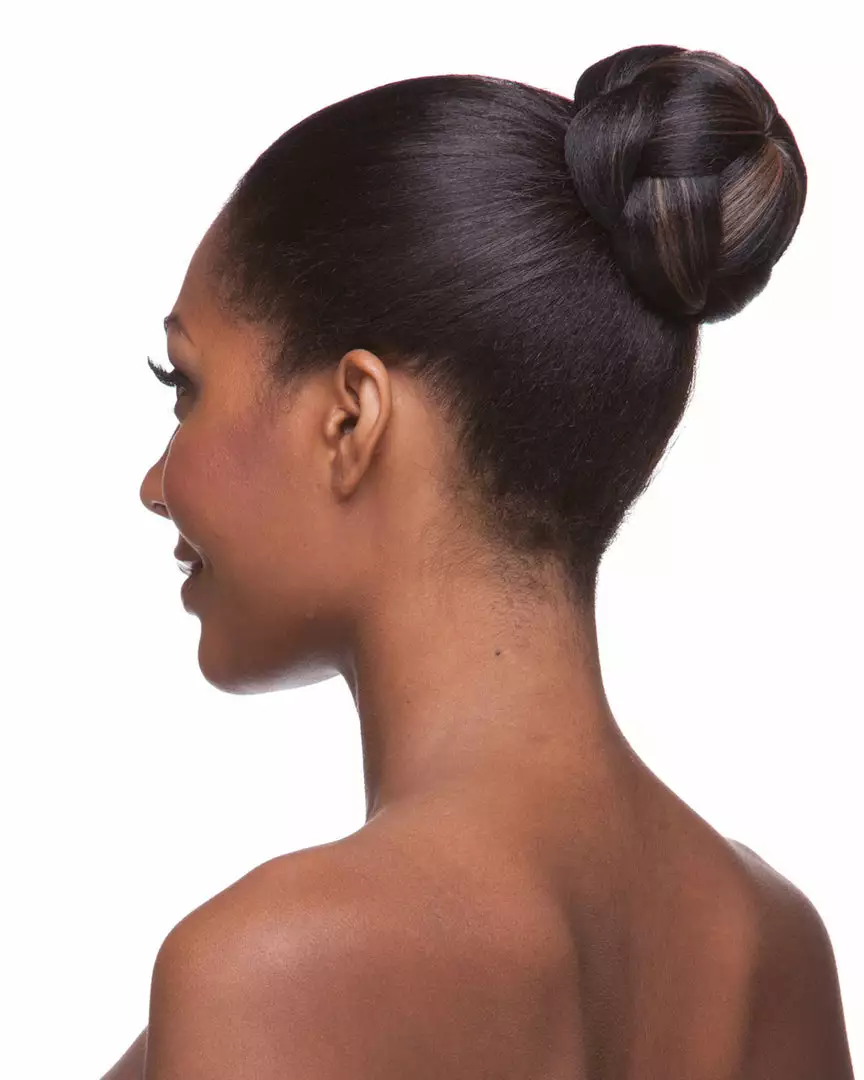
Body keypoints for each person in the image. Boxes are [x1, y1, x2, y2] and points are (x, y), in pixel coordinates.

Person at [106, 43, 854, 1080]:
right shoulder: (773, 949)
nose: (155, 482)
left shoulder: (272, 969)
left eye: (183, 387)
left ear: (352, 419)